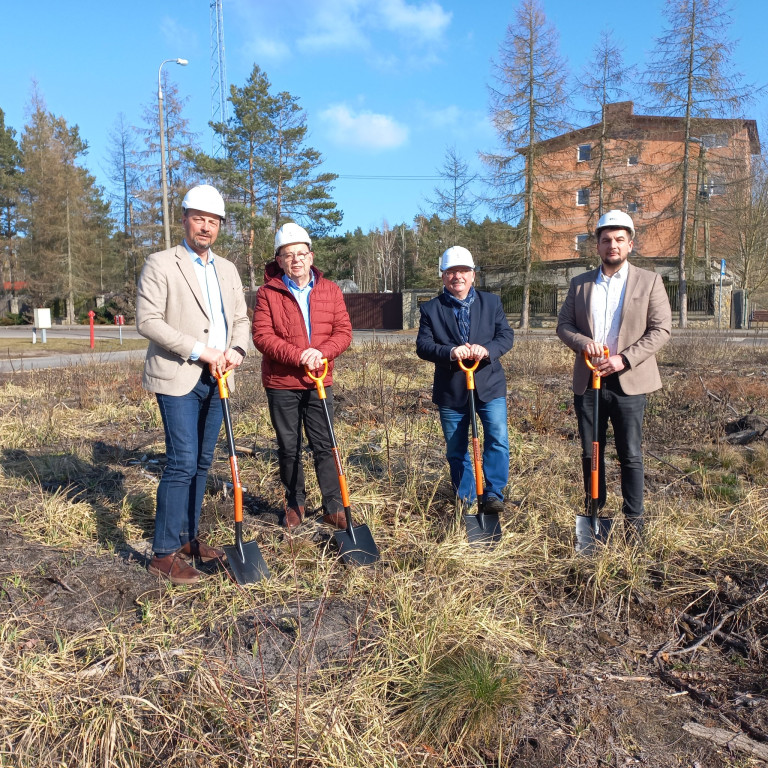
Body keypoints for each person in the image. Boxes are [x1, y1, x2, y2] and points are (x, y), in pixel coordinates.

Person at [137, 184, 250, 585]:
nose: (205, 227)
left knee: (203, 462)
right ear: (184, 219)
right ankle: (163, 553)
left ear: (220, 225)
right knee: (182, 461)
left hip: (220, 376)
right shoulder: (161, 263)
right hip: (178, 374)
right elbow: (148, 321)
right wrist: (201, 350)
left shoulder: (228, 269)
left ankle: (188, 538)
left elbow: (241, 319)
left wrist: (236, 349)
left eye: (213, 221)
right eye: (198, 218)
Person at [556, 209, 672, 542]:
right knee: (591, 452)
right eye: (606, 239)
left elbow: (661, 329)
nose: (612, 245)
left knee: (630, 453)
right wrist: (583, 344)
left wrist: (624, 359)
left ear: (630, 244)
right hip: (588, 380)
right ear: (597, 245)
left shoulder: (649, 281)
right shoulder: (580, 285)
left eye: (619, 239)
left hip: (629, 381)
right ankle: (594, 517)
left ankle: (634, 524)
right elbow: (564, 326)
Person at [252, 222, 353, 531]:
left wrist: (321, 353)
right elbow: (262, 336)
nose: (295, 259)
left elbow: (343, 332)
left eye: (301, 253)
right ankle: (294, 503)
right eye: (288, 254)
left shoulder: (330, 290)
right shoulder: (268, 293)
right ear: (279, 260)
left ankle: (333, 506)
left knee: (326, 444)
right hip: (282, 383)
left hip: (320, 380)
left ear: (311, 256)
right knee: (289, 446)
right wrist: (299, 356)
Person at [416, 246, 515, 514]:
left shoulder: (491, 302)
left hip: (489, 385)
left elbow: (505, 336)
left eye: (463, 271)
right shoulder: (431, 309)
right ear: (443, 276)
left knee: (497, 438)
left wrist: (489, 351)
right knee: (456, 448)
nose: (457, 276)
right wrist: (449, 352)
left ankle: (493, 494)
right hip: (451, 390)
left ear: (473, 275)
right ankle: (467, 496)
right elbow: (423, 346)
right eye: (451, 272)